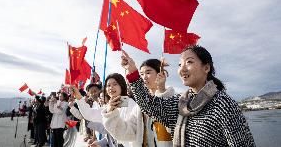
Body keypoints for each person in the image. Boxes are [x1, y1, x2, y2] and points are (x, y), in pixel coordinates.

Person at [121, 46, 256, 147]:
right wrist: (132, 70)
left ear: (206, 68)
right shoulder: (180, 103)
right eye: (180, 64)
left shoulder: (222, 104)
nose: (182, 69)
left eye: (189, 62)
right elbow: (148, 105)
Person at [102, 59, 174, 147]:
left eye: (148, 72)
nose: (144, 77)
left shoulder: (172, 100)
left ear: (161, 73)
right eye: (141, 74)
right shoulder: (138, 107)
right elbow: (127, 132)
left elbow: (160, 112)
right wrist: (110, 113)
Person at [72, 73, 138, 147]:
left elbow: (130, 133)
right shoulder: (110, 106)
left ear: (122, 86)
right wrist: (79, 97)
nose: (111, 87)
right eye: (108, 85)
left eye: (115, 84)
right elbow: (89, 114)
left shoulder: (129, 103)